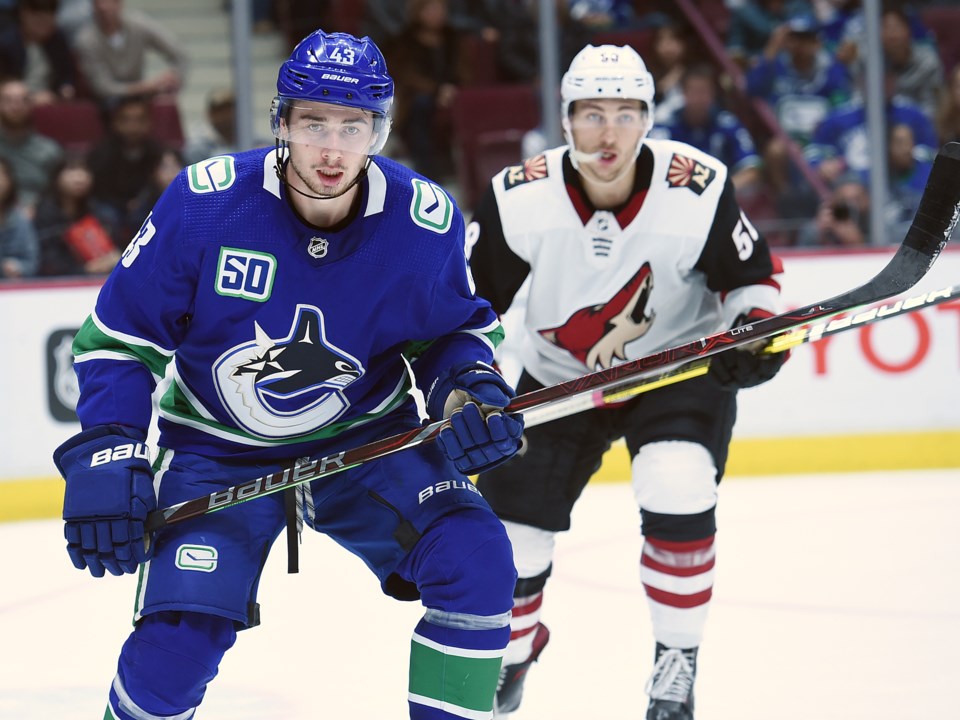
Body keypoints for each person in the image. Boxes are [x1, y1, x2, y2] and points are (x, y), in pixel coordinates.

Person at [51, 29, 524, 720]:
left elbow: (451, 332)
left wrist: (468, 389)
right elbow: (119, 339)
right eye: (313, 124)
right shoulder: (205, 203)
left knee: (477, 561)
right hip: (217, 452)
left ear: (379, 132)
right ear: (281, 122)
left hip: (368, 444)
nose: (332, 151)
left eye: (352, 127)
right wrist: (107, 447)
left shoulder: (424, 220)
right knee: (178, 643)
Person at [466, 44, 788, 719]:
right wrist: (472, 377)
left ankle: (676, 664)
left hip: (675, 368)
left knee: (676, 481)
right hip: (557, 379)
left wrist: (753, 334)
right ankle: (515, 651)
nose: (606, 132)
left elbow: (751, 283)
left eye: (622, 113)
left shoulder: (696, 186)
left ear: (647, 119)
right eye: (589, 114)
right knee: (515, 540)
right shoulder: (519, 195)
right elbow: (470, 306)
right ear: (565, 121)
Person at [71, 0, 188, 107]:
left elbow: (179, 53)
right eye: (98, 2)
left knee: (164, 104)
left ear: (120, 3)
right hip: (106, 103)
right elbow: (102, 88)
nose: (103, 7)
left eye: (109, 1)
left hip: (140, 98)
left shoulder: (139, 25)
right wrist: (145, 87)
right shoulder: (86, 40)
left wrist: (173, 76)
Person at [0, 77, 64, 214]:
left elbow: (59, 194)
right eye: (8, 100)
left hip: (40, 216)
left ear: (31, 105)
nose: (16, 106)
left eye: (23, 100)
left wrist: (38, 209)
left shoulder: (50, 150)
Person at [0, 155, 40, 277]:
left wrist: (19, 267)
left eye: (2, 174)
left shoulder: (20, 220)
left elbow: (32, 263)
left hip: (13, 290)